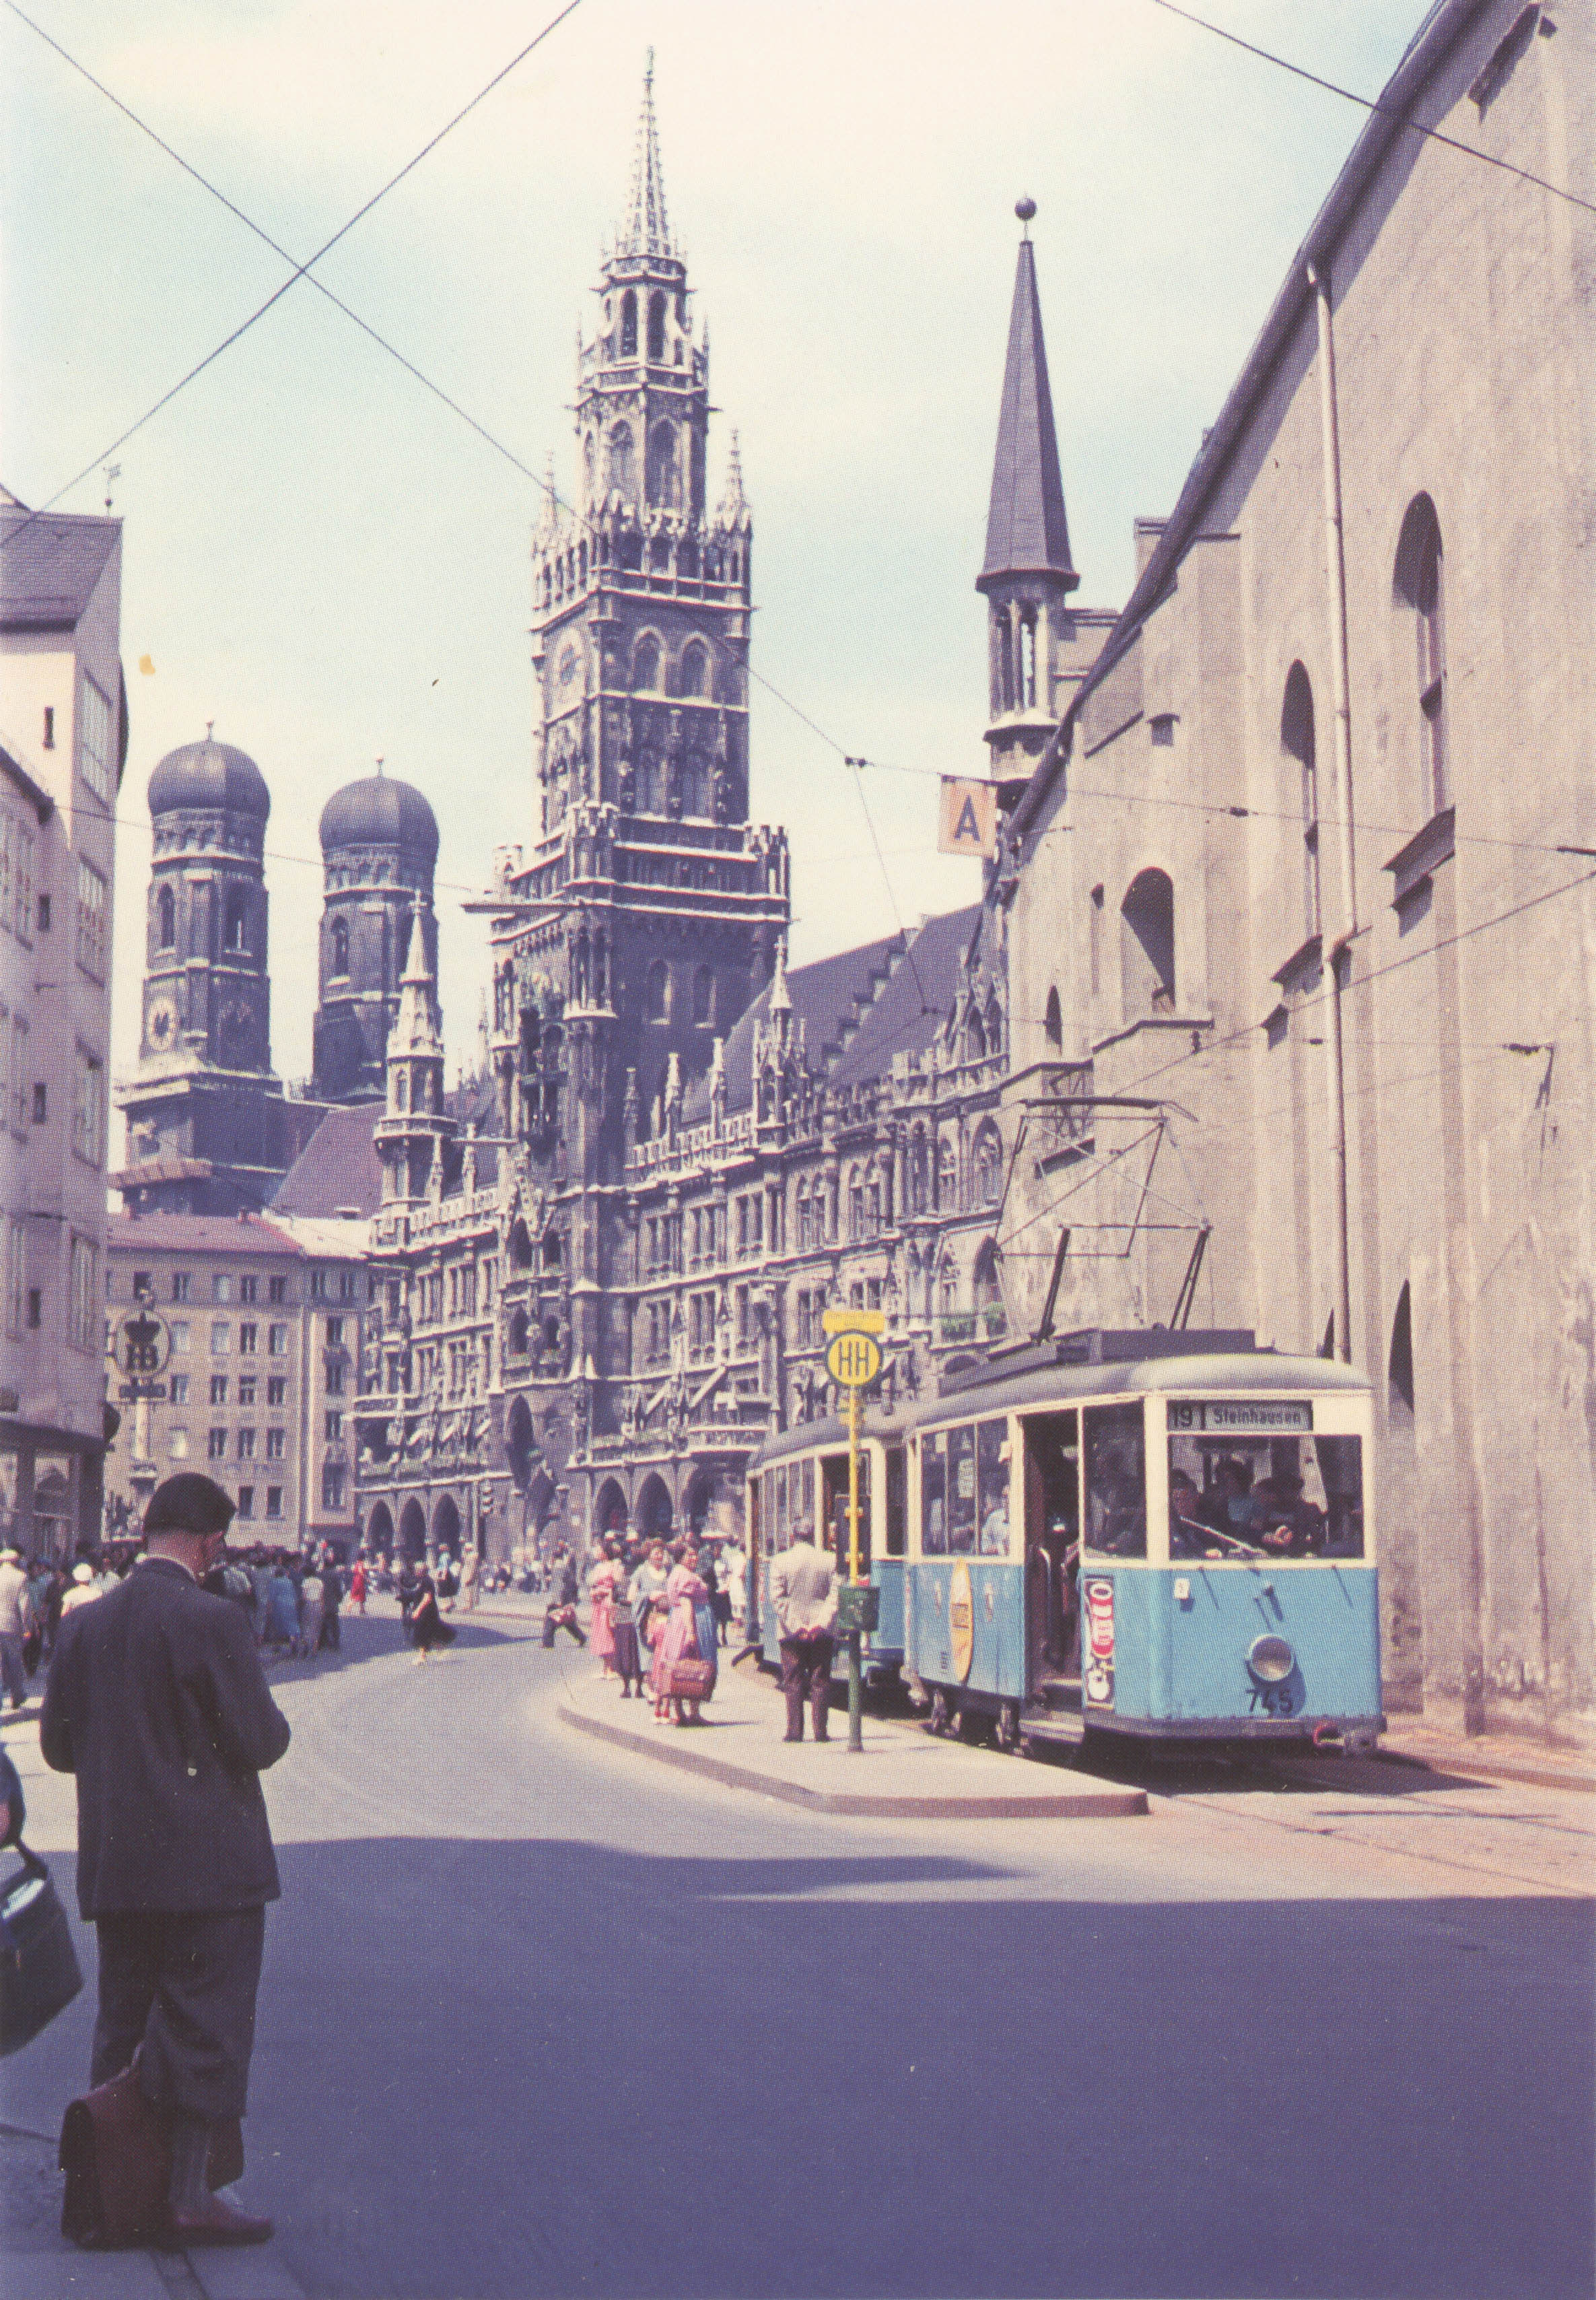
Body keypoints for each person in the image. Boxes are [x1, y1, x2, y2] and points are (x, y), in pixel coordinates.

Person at [40, 1472, 289, 2249]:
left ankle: (107, 2196)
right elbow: (261, 1741)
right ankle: (186, 2196)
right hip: (211, 1870)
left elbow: (53, 1745)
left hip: (120, 1867)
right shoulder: (212, 1618)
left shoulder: (85, 1623)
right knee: (206, 2029)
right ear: (210, 1541)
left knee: (123, 2024)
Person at [771, 1520, 837, 1743]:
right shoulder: (829, 1560)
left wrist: (798, 1626)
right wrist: (819, 1624)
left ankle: (794, 1732)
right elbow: (834, 1596)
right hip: (822, 1633)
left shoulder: (780, 1561)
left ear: (793, 1536)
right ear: (813, 1536)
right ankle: (821, 1732)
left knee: (793, 1681)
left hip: (791, 1634)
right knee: (820, 1681)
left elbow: (777, 1599)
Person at [652, 1543, 713, 1724]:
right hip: (689, 1622)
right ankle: (692, 1713)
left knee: (678, 1665)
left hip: (677, 1622)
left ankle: (680, 1713)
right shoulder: (685, 1575)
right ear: (680, 1557)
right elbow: (686, 1604)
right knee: (694, 1665)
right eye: (690, 1555)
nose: (694, 1558)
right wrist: (692, 1632)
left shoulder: (677, 1572)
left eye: (695, 1555)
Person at [0, 1544, 35, 1711]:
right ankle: (17, 1696)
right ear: (16, 1562)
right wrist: (27, 1627)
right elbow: (25, 1604)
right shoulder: (21, 1577)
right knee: (14, 1662)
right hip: (12, 1626)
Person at [587, 1543, 623, 1677]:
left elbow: (618, 1583)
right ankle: (604, 1668)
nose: (596, 1553)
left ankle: (611, 1668)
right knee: (600, 1635)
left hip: (608, 1602)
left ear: (605, 1552)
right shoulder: (597, 1567)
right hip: (597, 1603)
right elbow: (592, 1584)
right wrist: (594, 1591)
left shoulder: (613, 1566)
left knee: (608, 1633)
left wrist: (605, 1591)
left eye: (599, 1550)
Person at [541, 1549, 587, 1648]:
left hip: (559, 1599)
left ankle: (547, 1643)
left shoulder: (558, 1568)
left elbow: (559, 1585)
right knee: (567, 1622)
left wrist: (556, 1600)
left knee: (550, 1620)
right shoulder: (565, 1567)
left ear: (554, 1558)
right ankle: (581, 1637)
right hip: (566, 1598)